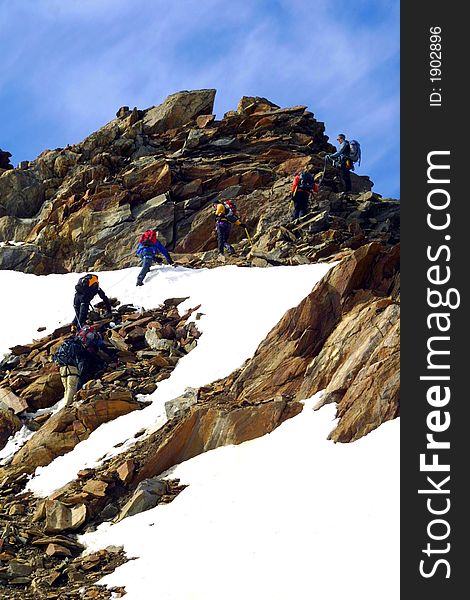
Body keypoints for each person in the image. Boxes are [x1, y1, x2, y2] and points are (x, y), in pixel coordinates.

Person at [53, 326, 116, 407]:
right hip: (72, 367)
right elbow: (87, 356)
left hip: (62, 366)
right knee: (72, 387)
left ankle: (66, 404)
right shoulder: (81, 346)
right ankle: (67, 406)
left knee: (67, 388)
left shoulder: (69, 343)